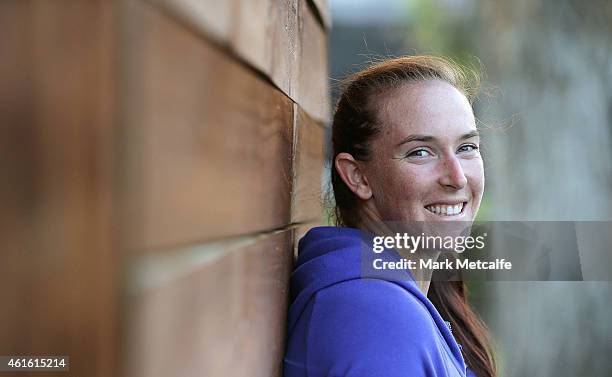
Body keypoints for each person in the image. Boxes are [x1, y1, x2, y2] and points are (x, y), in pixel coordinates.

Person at [283, 56, 497, 377]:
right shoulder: (373, 316)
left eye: (467, 147)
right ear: (358, 177)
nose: (458, 177)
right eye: (420, 152)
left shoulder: (393, 296)